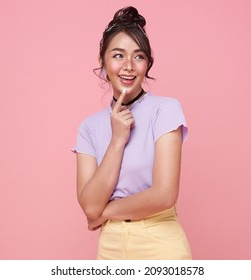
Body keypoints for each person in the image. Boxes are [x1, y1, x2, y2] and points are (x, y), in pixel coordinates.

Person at [72, 6, 192, 260]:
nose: (128, 66)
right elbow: (89, 205)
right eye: (118, 55)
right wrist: (117, 140)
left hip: (160, 242)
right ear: (102, 61)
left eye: (138, 56)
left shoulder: (165, 109)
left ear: (147, 63)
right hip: (110, 248)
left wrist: (104, 213)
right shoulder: (89, 128)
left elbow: (164, 195)